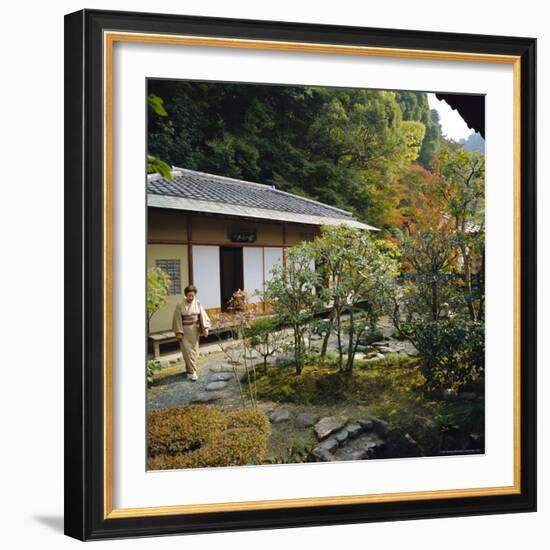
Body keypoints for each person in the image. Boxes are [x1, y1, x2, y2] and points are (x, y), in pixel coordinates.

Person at [172, 284, 211, 381]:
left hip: (194, 330)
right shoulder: (180, 304)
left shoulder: (197, 303)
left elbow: (202, 315)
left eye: (193, 295)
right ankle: (194, 372)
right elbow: (177, 318)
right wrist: (179, 332)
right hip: (184, 330)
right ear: (185, 295)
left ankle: (189, 368)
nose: (191, 297)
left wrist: (205, 328)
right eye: (189, 295)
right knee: (187, 351)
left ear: (195, 295)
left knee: (193, 351)